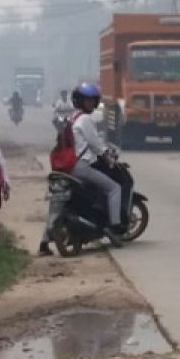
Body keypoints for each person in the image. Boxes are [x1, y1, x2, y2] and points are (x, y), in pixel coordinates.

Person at [70, 82, 123, 242]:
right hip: (82, 166)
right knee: (114, 188)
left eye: (93, 100)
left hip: (72, 165)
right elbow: (95, 144)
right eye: (87, 100)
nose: (91, 103)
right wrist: (108, 157)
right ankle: (114, 227)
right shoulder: (85, 119)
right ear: (80, 101)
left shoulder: (73, 116)